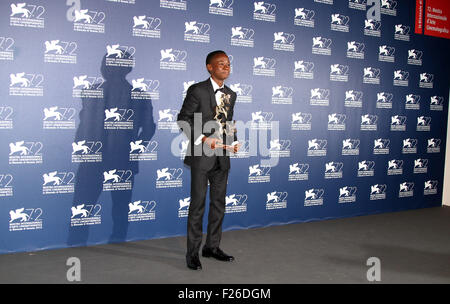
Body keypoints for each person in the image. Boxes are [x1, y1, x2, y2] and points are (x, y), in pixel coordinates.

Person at [177, 50, 240, 270]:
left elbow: (227, 122)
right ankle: (192, 253)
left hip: (222, 158)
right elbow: (183, 120)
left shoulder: (231, 94)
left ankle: (212, 247)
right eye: (220, 63)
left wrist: (233, 141)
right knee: (197, 205)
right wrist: (204, 139)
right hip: (201, 156)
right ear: (209, 67)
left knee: (219, 204)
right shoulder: (198, 90)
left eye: (228, 64)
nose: (226, 67)